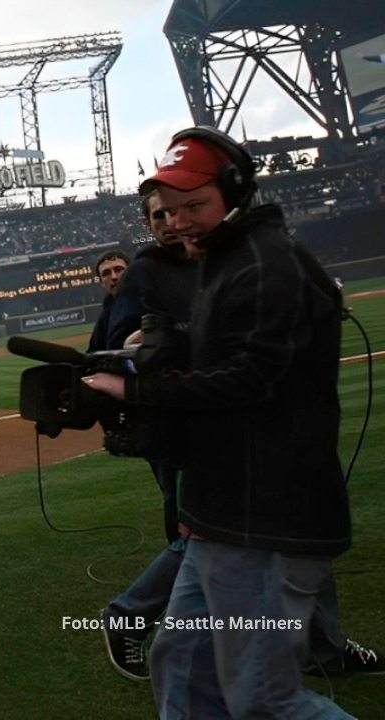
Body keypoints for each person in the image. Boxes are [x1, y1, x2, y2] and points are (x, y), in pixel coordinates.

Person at [85, 126, 356, 717]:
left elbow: (248, 383)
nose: (178, 221)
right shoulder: (213, 260)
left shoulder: (266, 262)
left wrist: (137, 387)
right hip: (220, 509)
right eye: (168, 210)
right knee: (183, 667)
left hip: (269, 515)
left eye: (194, 206)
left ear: (234, 194)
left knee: (261, 696)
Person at [85, 250, 129, 353]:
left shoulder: (151, 302)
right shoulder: (105, 317)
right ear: (101, 282)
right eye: (106, 273)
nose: (113, 277)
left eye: (118, 270)